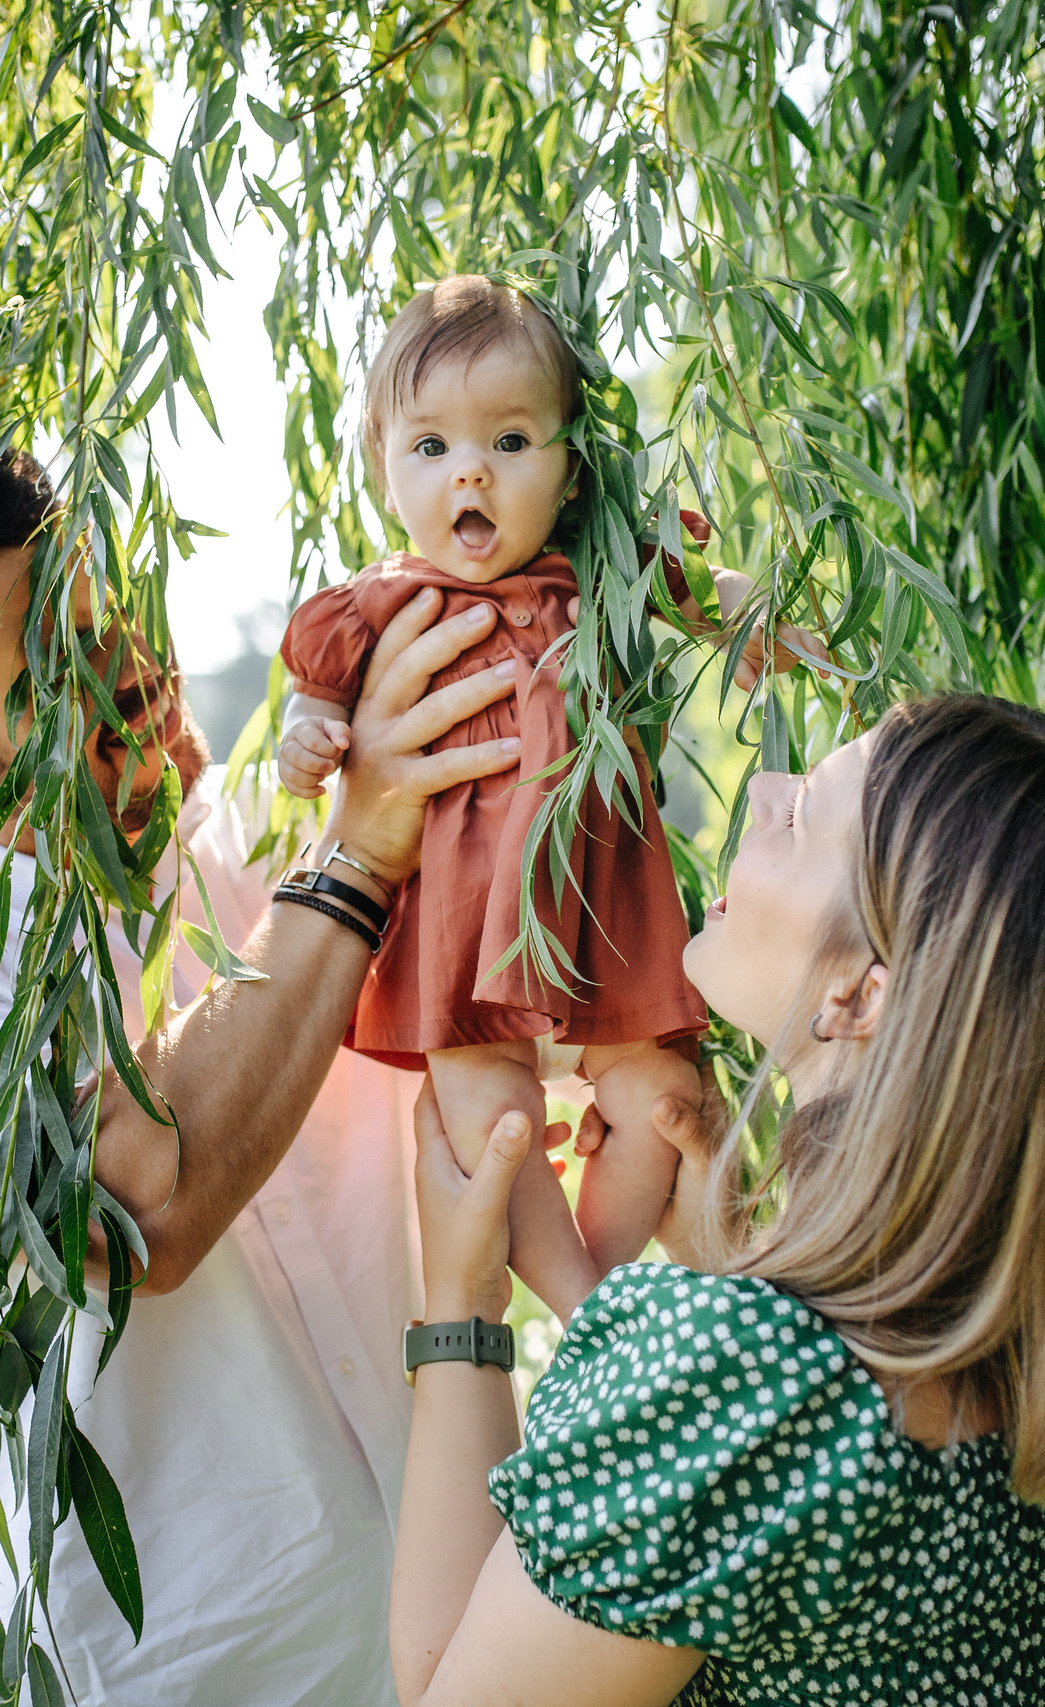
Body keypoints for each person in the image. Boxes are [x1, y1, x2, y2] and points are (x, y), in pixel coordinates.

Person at [0, 437, 533, 1703]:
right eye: (60, 674)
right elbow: (140, 1206)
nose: (138, 685)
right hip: (206, 1672)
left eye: (116, 621)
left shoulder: (267, 837)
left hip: (481, 1620)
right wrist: (354, 863)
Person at [390, 694, 1045, 1707]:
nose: (761, 789)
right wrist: (721, 1270)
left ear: (862, 994)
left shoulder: (748, 1382)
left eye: (804, 812)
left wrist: (462, 1302)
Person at [275, 275, 813, 1295]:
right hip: (464, 908)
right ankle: (577, 1309)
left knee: (661, 1090)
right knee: (495, 1111)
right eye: (430, 448)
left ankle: (607, 1285)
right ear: (383, 471)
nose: (468, 474)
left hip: (601, 887)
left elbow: (695, 584)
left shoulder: (597, 568)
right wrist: (309, 736)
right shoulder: (375, 607)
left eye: (509, 443)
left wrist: (746, 612)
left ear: (569, 471)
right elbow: (318, 694)